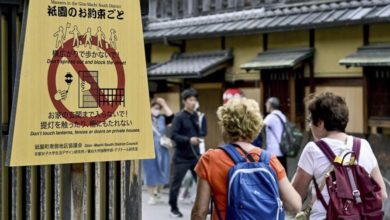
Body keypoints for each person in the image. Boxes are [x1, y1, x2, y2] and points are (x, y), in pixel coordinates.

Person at [191, 98, 302, 220]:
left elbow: (200, 212)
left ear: (226, 126)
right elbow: (295, 205)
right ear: (255, 128)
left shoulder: (210, 159)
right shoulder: (269, 160)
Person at [292, 92, 388, 219]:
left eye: (310, 120)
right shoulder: (363, 145)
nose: (310, 125)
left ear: (320, 123)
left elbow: (295, 198)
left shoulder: (312, 149)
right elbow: (382, 195)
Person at [169, 88, 203, 218]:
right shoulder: (178, 117)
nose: (193, 102)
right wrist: (189, 140)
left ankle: (203, 207)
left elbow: (200, 132)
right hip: (181, 157)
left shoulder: (195, 115)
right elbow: (173, 135)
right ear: (184, 101)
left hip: (195, 156)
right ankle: (173, 208)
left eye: (195, 99)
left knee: (201, 183)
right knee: (176, 184)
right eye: (190, 100)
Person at [143, 97, 174, 205]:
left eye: (158, 108)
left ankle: (158, 192)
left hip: (162, 148)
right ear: (150, 107)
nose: (157, 110)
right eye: (155, 107)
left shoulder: (162, 118)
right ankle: (151, 195)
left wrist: (164, 104)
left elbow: (171, 117)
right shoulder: (144, 118)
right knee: (150, 172)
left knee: (163, 171)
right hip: (149, 148)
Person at [264, 97, 288, 170]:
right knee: (283, 173)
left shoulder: (271, 117)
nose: (265, 105)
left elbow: (258, 126)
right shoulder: (282, 116)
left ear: (271, 105)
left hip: (274, 151)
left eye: (267, 103)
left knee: (274, 174)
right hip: (282, 149)